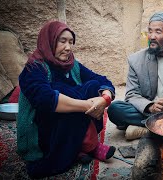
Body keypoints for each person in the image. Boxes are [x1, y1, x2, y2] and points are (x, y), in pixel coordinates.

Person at [17, 20, 116, 178]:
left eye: (71, 42)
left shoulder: (72, 65)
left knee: (93, 85)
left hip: (68, 123)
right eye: (62, 41)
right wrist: (87, 106)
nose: (68, 48)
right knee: (61, 91)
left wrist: (105, 99)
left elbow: (102, 80)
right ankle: (87, 146)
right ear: (49, 41)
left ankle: (83, 145)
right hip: (43, 130)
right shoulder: (33, 68)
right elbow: (45, 99)